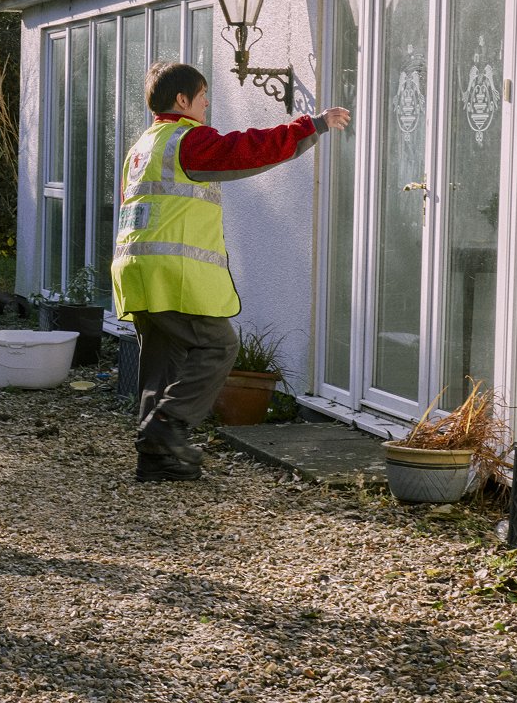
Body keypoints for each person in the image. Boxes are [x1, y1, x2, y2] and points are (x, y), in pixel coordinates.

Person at [112, 61, 350, 483]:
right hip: (172, 273)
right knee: (218, 346)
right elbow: (245, 149)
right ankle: (166, 427)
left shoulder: (144, 145)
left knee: (161, 364)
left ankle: (158, 460)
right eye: (204, 97)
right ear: (183, 100)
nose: (207, 105)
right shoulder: (188, 139)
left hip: (136, 269)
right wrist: (309, 126)